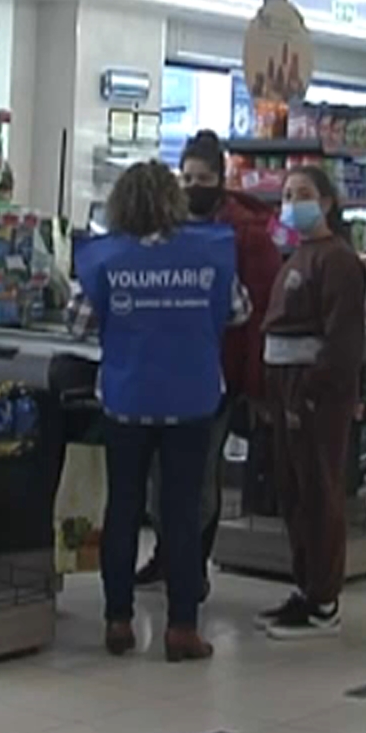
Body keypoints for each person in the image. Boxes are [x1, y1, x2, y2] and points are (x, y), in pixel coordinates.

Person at [75, 160, 240, 663]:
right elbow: (238, 311)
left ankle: (118, 620)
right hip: (191, 399)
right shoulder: (208, 252)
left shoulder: (105, 259)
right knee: (182, 512)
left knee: (123, 507)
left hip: (127, 399)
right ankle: (182, 629)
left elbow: (79, 323)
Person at [133, 131, 281, 591]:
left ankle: (192, 564)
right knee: (161, 477)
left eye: (203, 177)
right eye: (187, 176)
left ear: (221, 178)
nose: (193, 185)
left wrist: (256, 387)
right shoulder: (166, 227)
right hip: (164, 369)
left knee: (198, 476)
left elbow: (258, 317)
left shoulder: (247, 237)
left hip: (219, 372)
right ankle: (166, 553)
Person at [259, 165, 366, 641]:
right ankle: (305, 587)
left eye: (302, 193)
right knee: (294, 490)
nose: (292, 202)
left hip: (314, 391)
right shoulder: (297, 255)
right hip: (284, 382)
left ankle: (325, 598)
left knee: (319, 490)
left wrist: (311, 390)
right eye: (286, 194)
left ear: (325, 202)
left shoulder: (339, 261)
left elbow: (342, 339)